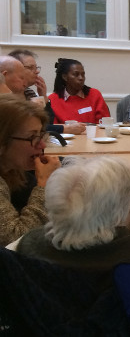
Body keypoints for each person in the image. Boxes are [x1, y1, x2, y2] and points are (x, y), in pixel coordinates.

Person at [0, 97, 61, 246]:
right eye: (32, 137)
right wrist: (44, 184)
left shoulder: (13, 170)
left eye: (41, 135)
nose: (42, 145)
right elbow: (18, 239)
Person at [8, 50, 85, 135]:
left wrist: (43, 97)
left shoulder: (29, 93)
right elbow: (25, 127)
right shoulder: (6, 96)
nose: (37, 71)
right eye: (31, 68)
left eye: (36, 68)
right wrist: (65, 129)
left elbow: (46, 123)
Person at [48, 58, 111, 124]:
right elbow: (53, 128)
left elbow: (105, 124)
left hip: (94, 131)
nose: (81, 78)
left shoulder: (95, 94)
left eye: (83, 74)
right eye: (76, 74)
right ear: (65, 77)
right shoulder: (52, 100)